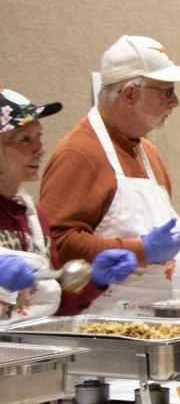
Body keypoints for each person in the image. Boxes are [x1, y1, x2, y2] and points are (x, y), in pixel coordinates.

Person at [40, 35, 180, 314]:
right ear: (130, 94)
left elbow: (163, 225)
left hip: (155, 321)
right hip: (103, 327)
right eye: (166, 91)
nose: (175, 101)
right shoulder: (80, 153)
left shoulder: (147, 150)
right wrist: (142, 251)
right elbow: (58, 243)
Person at [0, 89, 136, 321]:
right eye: (24, 139)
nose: (40, 149)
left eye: (39, 137)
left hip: (30, 351)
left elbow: (56, 303)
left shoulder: (34, 215)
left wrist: (95, 280)